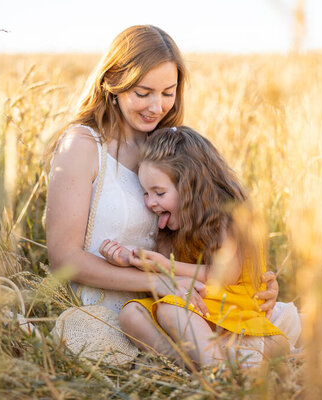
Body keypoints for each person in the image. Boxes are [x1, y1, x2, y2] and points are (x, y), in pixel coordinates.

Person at [45, 25, 280, 329]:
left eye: (168, 93)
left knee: (281, 327)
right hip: (104, 311)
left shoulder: (166, 150)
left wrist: (255, 282)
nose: (157, 107)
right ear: (112, 84)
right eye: (143, 93)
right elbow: (64, 259)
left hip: (178, 301)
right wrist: (157, 282)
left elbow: (212, 221)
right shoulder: (83, 145)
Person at [100, 126, 290, 367]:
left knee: (171, 310)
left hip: (233, 314)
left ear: (191, 187)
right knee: (131, 315)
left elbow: (223, 275)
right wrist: (130, 260)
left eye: (159, 193)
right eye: (146, 193)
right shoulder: (174, 229)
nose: (150, 203)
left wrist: (164, 265)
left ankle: (218, 374)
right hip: (198, 314)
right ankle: (180, 365)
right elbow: (165, 277)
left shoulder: (228, 217)